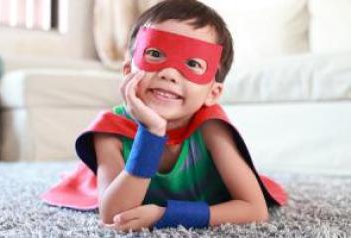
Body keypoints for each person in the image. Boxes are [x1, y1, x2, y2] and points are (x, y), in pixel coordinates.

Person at [42, 0, 287, 232]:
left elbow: (255, 209)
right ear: (128, 70)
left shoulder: (212, 129)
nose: (169, 73)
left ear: (212, 93)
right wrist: (151, 133)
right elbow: (114, 216)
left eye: (193, 63)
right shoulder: (110, 131)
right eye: (156, 54)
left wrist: (166, 215)